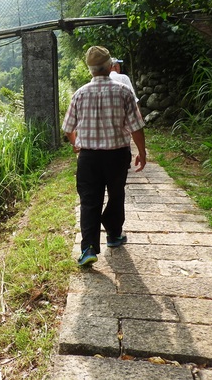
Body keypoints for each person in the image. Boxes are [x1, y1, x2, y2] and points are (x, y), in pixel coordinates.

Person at [62, 46, 146, 267]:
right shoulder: (123, 92)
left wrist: (76, 143)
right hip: (117, 155)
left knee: (89, 200)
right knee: (116, 194)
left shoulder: (79, 94)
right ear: (110, 66)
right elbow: (136, 127)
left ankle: (88, 248)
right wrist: (142, 152)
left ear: (90, 69)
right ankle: (114, 234)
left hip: (89, 158)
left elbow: (68, 128)